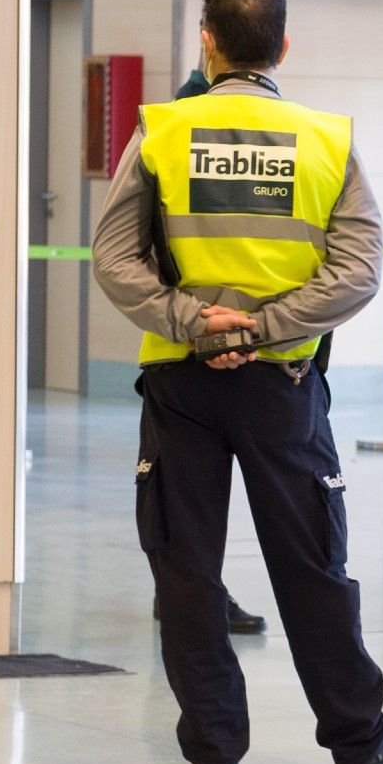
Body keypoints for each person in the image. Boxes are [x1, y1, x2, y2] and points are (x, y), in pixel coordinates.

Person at [94, 0, 383, 764]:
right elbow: (356, 270)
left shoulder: (163, 130)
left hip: (182, 383)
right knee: (311, 563)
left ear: (206, 42)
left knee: (189, 569)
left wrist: (193, 322)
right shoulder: (324, 139)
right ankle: (356, 740)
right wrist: (270, 329)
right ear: (283, 47)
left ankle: (213, 753)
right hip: (283, 386)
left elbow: (114, 256)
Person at [152, 59, 265, 636]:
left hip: (190, 347)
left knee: (186, 516)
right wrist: (249, 329)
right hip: (254, 354)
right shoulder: (176, 124)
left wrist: (203, 324)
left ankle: (197, 598)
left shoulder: (169, 125)